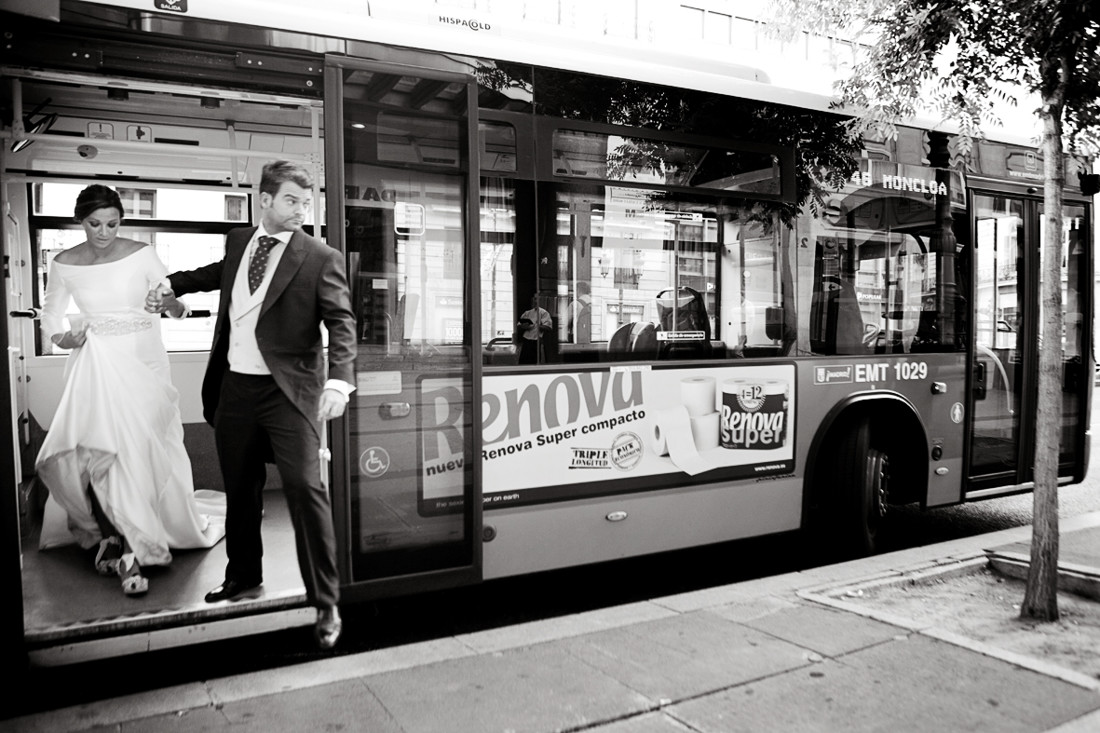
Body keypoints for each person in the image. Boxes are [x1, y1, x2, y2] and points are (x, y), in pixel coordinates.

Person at [146, 161, 357, 650]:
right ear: (264, 199)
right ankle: (242, 575)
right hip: (235, 388)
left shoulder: (321, 257)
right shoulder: (240, 241)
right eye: (290, 201)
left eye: (306, 203)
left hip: (291, 393)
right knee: (240, 489)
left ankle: (326, 600)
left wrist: (340, 384)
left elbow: (342, 326)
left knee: (306, 490)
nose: (300, 211)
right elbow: (218, 275)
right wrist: (174, 285)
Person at [35, 184, 225, 597]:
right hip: (94, 364)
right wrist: (66, 340)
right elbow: (50, 318)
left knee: (142, 446)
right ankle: (121, 541)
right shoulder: (63, 262)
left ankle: (131, 535)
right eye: (94, 224)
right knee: (102, 449)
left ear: (122, 221)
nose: (103, 232)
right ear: (80, 222)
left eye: (112, 223)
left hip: (145, 361)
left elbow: (176, 304)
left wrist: (168, 304)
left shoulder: (141, 253)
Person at [515, 293, 552, 364]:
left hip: (536, 342)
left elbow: (548, 328)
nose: (535, 301)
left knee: (535, 362)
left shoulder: (544, 313)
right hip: (526, 341)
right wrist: (524, 326)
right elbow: (518, 325)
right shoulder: (527, 313)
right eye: (535, 299)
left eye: (537, 299)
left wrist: (537, 326)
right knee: (523, 362)